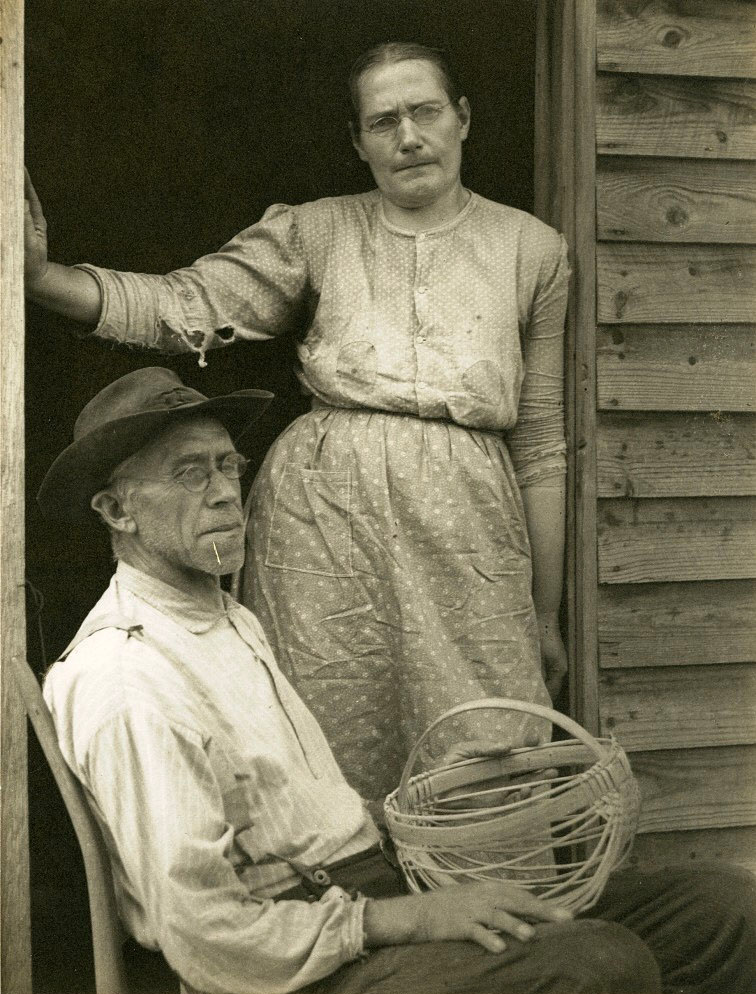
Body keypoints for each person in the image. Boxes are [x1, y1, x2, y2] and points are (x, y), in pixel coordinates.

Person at [39, 367, 756, 994]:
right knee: (601, 965)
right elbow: (204, 937)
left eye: (229, 466)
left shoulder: (225, 615)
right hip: (300, 965)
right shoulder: (127, 676)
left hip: (375, 894)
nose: (227, 494)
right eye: (189, 474)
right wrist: (407, 918)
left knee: (720, 912)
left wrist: (431, 886)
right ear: (116, 510)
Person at [27, 42, 568, 800]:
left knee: (489, 746)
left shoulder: (533, 251)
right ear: (357, 142)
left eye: (426, 112)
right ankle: (348, 913)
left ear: (463, 118)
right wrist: (41, 279)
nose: (408, 136)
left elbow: (541, 443)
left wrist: (544, 613)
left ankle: (489, 915)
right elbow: (190, 305)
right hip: (324, 521)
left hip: (466, 525)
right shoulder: (317, 232)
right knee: (325, 739)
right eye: (382, 122)